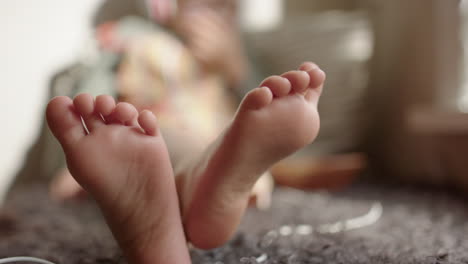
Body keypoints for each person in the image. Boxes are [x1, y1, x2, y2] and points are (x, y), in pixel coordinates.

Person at [46, 61, 326, 263]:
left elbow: (256, 87)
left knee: (175, 141)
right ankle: (197, 179)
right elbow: (96, 83)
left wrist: (232, 55)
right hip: (152, 129)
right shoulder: (137, 40)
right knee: (162, 139)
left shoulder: (229, 57)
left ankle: (197, 178)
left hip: (211, 130)